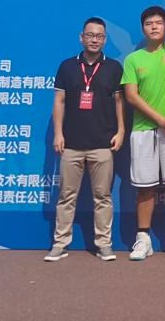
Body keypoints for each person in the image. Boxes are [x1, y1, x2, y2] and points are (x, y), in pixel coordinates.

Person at [44, 17, 124, 262]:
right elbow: (59, 101)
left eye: (99, 36)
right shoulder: (67, 66)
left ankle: (104, 244)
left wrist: (121, 131)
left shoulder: (113, 67)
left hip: (103, 144)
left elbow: (119, 102)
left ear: (105, 39)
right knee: (66, 196)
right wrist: (58, 133)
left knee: (103, 197)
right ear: (81, 37)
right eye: (90, 35)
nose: (94, 40)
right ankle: (60, 244)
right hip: (71, 144)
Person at [122, 5, 165, 261]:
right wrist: (158, 119)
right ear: (143, 29)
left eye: (159, 22)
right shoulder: (133, 59)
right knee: (145, 189)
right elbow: (131, 96)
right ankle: (143, 240)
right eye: (149, 23)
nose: (154, 26)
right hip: (143, 131)